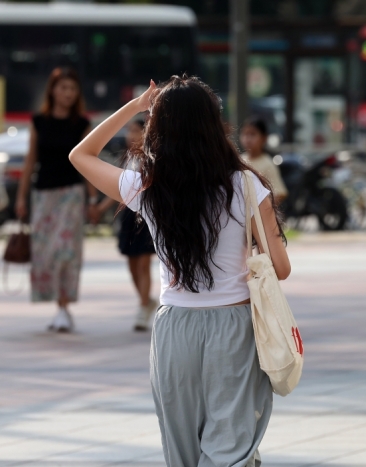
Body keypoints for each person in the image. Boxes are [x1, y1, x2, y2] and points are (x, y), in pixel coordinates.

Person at [69, 75, 291, 466]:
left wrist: (136, 106)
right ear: (213, 125)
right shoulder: (245, 185)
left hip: (175, 329)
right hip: (236, 327)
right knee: (231, 446)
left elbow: (80, 156)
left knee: (182, 449)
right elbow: (281, 269)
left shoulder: (147, 187)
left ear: (158, 129)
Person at [15, 67, 98, 333]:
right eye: (63, 88)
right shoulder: (39, 121)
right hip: (43, 195)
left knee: (67, 252)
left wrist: (93, 199)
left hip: (72, 195)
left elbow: (90, 163)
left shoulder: (81, 124)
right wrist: (21, 198)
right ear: (52, 90)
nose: (68, 93)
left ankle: (64, 307)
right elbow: (30, 161)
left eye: (72, 89)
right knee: (45, 253)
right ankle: (57, 306)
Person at [93, 119, 157, 331]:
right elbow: (118, 190)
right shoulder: (125, 160)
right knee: (131, 264)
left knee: (144, 263)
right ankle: (146, 301)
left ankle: (142, 308)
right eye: (129, 131)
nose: (131, 135)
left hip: (146, 216)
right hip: (128, 217)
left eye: (136, 131)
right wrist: (100, 209)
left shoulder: (152, 160)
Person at [240, 116, 288, 204]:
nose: (248, 139)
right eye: (245, 134)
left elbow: (280, 193)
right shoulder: (239, 160)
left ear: (264, 138)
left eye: (253, 134)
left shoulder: (267, 163)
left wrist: (262, 209)